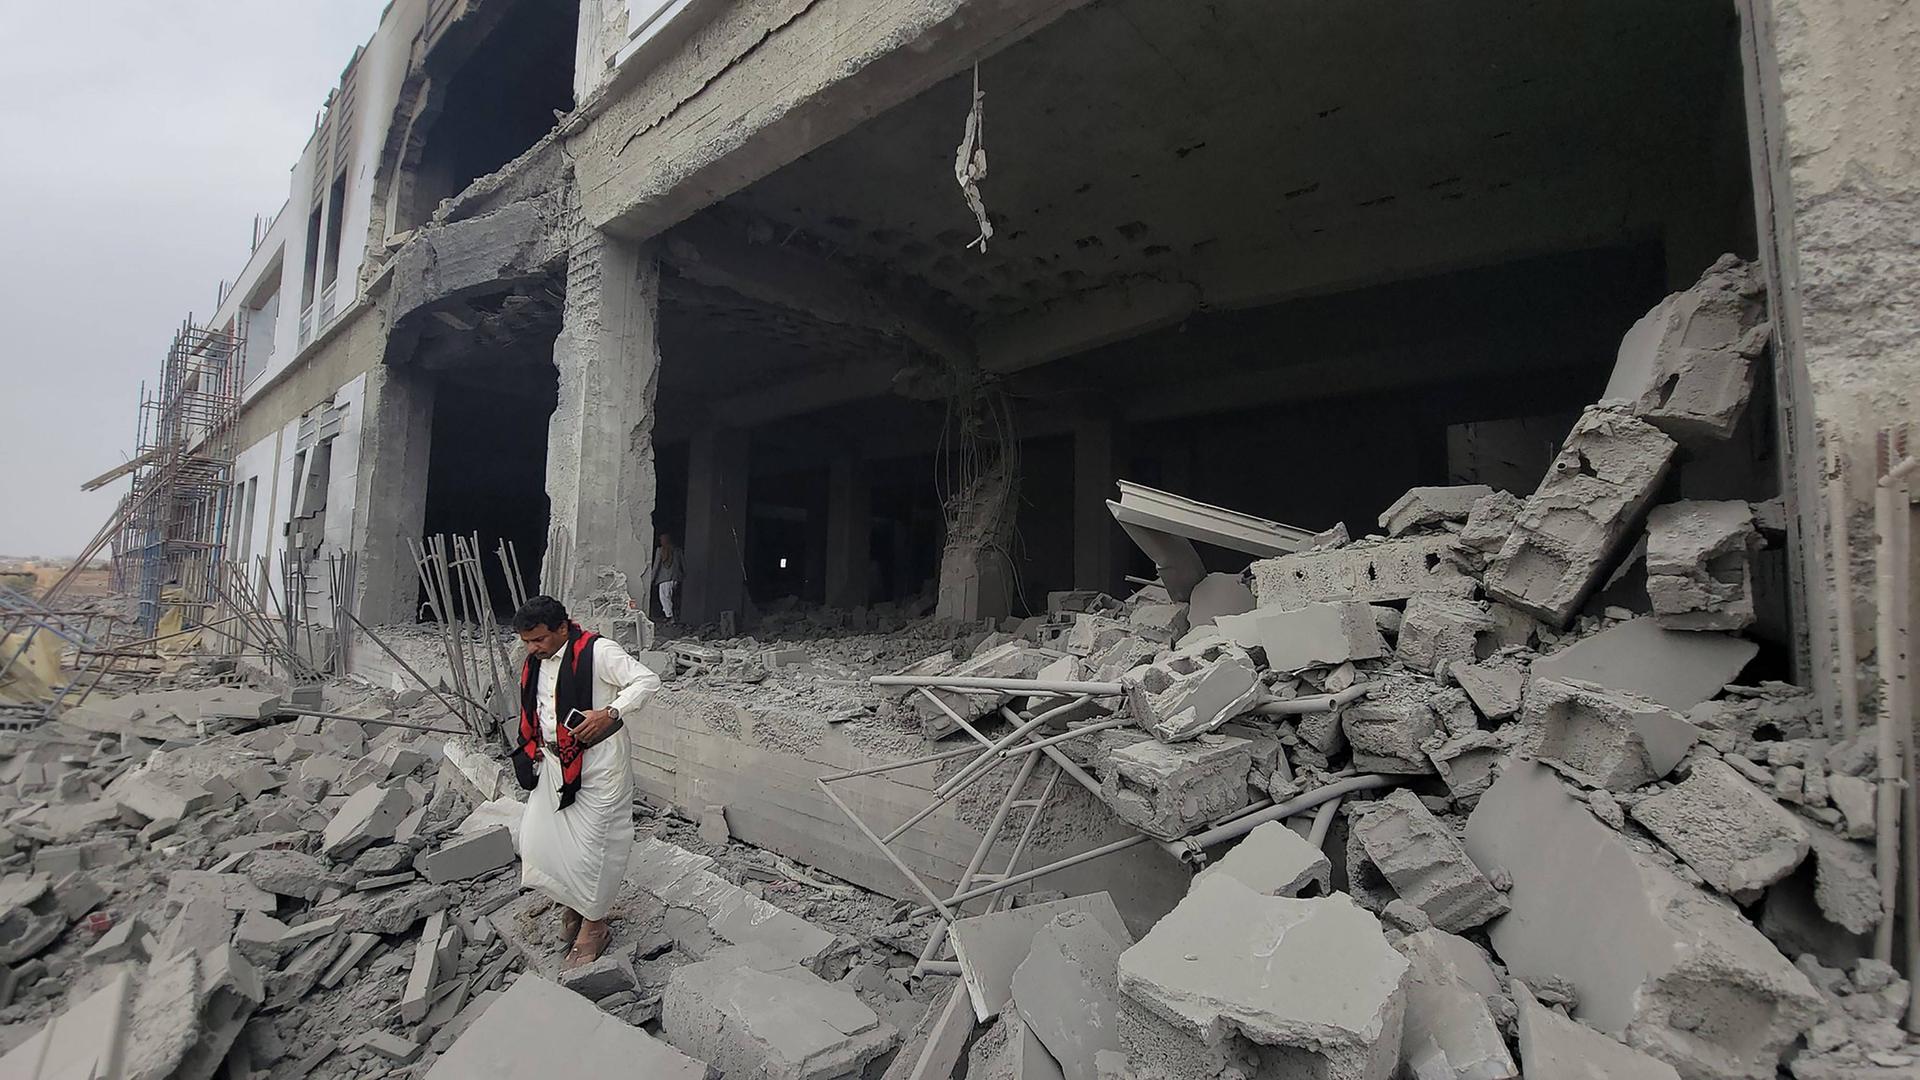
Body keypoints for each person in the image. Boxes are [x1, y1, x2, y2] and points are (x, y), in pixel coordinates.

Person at [511, 595, 661, 967]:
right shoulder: (536, 661)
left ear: (562, 628)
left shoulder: (598, 652)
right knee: (542, 841)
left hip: (599, 767)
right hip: (552, 763)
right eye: (527, 642)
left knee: (597, 848)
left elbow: (647, 680)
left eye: (539, 640)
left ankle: (594, 926)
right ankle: (574, 908)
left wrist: (611, 712)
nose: (532, 649)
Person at [651, 532, 683, 622]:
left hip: (664, 579)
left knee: (664, 597)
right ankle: (672, 616)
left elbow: (656, 566)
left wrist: (652, 579)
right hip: (676, 578)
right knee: (671, 597)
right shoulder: (677, 550)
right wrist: (682, 576)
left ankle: (670, 617)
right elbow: (683, 565)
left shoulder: (660, 550)